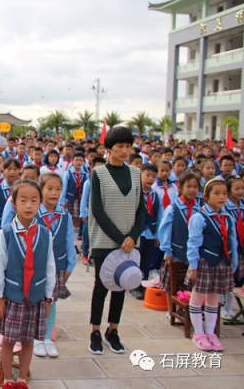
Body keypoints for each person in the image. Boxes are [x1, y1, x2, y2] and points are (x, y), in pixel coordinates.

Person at [0, 179, 55, 388]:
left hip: (35, 297)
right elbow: (0, 267)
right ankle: (8, 378)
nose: (28, 206)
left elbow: (50, 266)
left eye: (34, 201)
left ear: (40, 204)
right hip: (13, 296)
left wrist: (48, 297)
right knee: (9, 340)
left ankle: (23, 377)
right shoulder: (6, 233)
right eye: (23, 200)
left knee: (28, 340)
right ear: (14, 203)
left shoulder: (45, 234)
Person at [88, 126, 144, 355]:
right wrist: (121, 238)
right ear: (108, 149)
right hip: (105, 240)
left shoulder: (135, 173)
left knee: (123, 285)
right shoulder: (98, 173)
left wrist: (132, 236)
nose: (124, 151)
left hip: (129, 241)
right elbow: (98, 211)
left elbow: (141, 209)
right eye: (119, 146)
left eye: (127, 146)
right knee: (101, 287)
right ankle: (95, 331)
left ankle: (113, 330)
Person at [185, 177, 238, 351]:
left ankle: (210, 332)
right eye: (216, 193)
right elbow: (193, 243)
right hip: (205, 262)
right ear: (207, 196)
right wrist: (193, 265)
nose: (221, 197)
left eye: (224, 193)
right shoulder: (200, 217)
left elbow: (232, 241)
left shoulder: (227, 217)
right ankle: (198, 333)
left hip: (222, 261)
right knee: (198, 296)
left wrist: (234, 260)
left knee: (214, 298)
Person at [34, 173, 75, 358]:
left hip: (58, 265)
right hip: (36, 266)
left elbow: (68, 240)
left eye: (58, 189)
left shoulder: (64, 215)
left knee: (52, 301)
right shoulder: (34, 213)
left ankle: (47, 337)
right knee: (36, 300)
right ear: (41, 191)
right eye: (49, 189)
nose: (54, 193)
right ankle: (36, 337)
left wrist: (70, 266)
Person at [132, 163, 163, 300]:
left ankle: (142, 285)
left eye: (153, 177)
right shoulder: (134, 193)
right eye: (147, 175)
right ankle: (133, 286)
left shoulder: (155, 195)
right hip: (137, 234)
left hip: (150, 233)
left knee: (146, 261)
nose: (150, 179)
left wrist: (158, 235)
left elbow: (160, 215)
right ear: (140, 175)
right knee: (135, 260)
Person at [0, 159, 21, 256]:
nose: (12, 172)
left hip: (20, 227)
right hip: (0, 227)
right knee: (2, 252)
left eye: (15, 169)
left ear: (19, 171)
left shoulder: (22, 189)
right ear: (3, 170)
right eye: (9, 169)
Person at [222, 175, 244, 320]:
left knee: (239, 279)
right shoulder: (225, 207)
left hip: (242, 247)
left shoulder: (242, 206)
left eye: (242, 188)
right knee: (229, 279)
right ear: (229, 191)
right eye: (236, 188)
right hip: (230, 246)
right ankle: (226, 307)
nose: (240, 191)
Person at [79, 157, 106, 265]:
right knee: (87, 234)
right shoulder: (88, 183)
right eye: (97, 167)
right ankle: (85, 254)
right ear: (92, 168)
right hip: (89, 214)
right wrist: (84, 214)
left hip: (102, 214)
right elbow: (84, 199)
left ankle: (95, 255)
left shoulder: (106, 183)